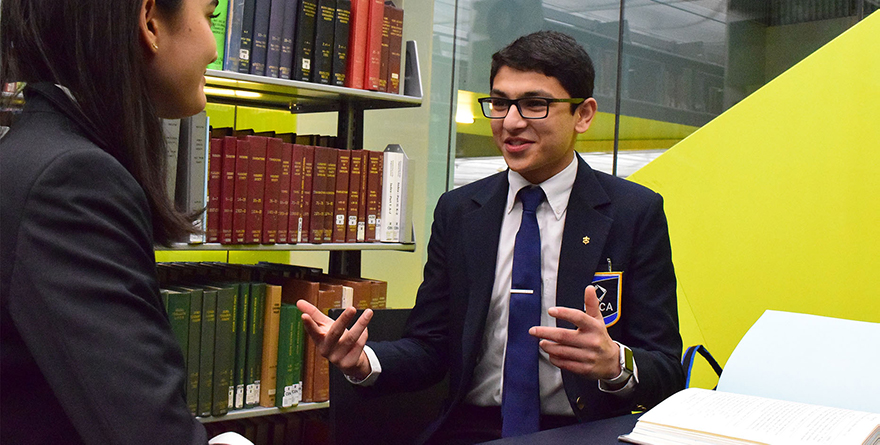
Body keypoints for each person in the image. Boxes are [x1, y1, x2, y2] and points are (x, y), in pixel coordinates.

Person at [297, 30, 684, 444]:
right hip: (473, 429)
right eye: (500, 103)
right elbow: (430, 346)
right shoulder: (460, 211)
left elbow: (666, 368)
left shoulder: (632, 213)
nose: (511, 122)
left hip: (583, 430)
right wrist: (364, 361)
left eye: (535, 104)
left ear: (583, 115)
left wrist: (615, 364)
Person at [1, 1, 248, 444]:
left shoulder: (36, 154)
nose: (213, 49)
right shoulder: (73, 182)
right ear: (150, 21)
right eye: (210, 17)